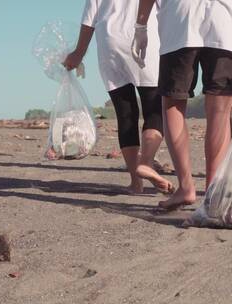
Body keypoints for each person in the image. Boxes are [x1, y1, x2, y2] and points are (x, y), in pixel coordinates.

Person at [133, 0, 232, 209]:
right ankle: (212, 191)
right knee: (220, 110)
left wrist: (140, 26)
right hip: (226, 25)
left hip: (179, 21)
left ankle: (186, 187)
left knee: (172, 104)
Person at [63, 0, 173, 194]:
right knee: (154, 110)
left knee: (125, 114)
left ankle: (135, 183)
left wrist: (78, 53)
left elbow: (89, 19)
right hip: (146, 39)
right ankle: (146, 162)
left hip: (109, 42)